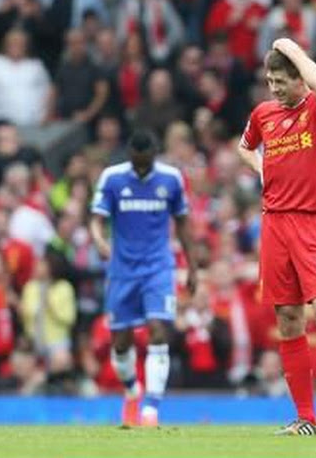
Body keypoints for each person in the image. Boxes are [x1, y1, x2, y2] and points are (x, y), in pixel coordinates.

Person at [237, 38, 316, 437]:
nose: (274, 88)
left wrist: (292, 48)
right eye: (269, 81)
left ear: (299, 78)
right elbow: (244, 146)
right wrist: (261, 170)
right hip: (275, 225)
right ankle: (306, 418)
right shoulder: (263, 114)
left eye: (281, 80)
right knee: (288, 319)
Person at [90, 129, 197, 427]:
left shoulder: (171, 179)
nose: (140, 168)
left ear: (154, 154)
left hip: (158, 268)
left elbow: (184, 225)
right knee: (121, 342)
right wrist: (100, 241)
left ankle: (151, 408)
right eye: (136, 163)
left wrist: (193, 268)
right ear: (129, 155)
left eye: (145, 163)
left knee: (158, 330)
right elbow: (96, 220)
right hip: (122, 270)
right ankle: (131, 391)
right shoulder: (112, 178)